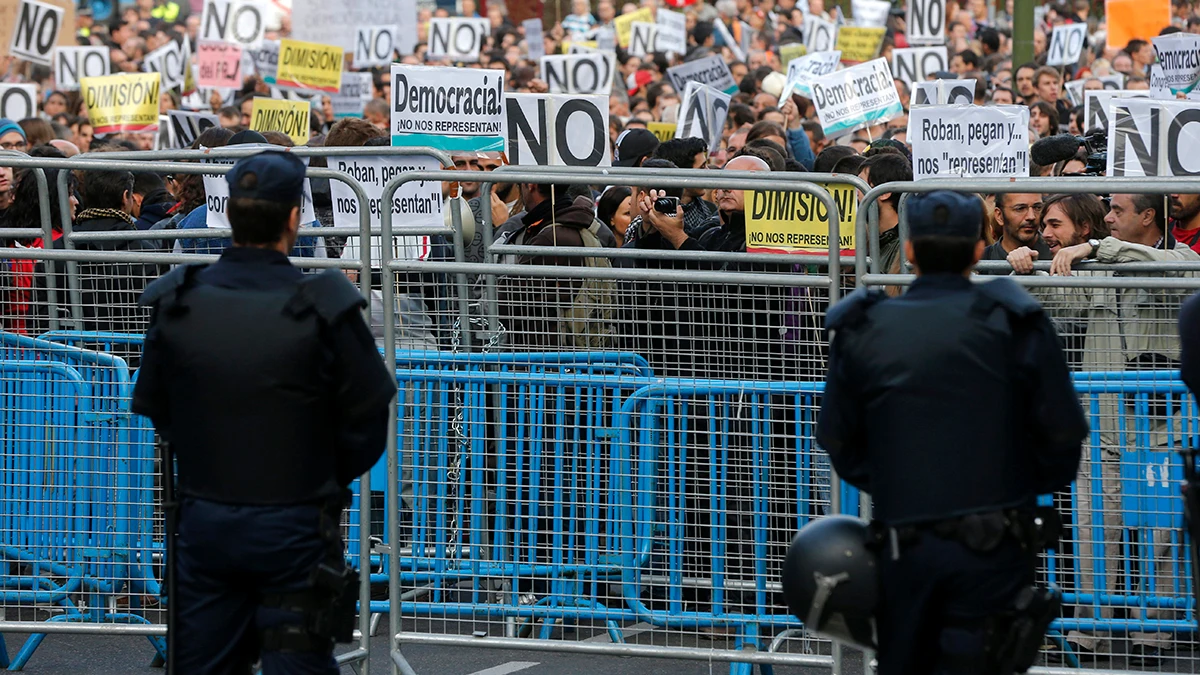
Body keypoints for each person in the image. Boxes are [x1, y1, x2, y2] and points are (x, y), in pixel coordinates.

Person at [131, 150, 395, 674]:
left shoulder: (180, 302)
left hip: (208, 521)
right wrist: (317, 477)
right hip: (297, 522)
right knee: (299, 666)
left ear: (229, 214)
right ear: (295, 216)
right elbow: (368, 420)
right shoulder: (326, 304)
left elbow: (157, 411)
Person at [816, 190, 1087, 675]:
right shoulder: (1015, 319)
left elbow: (839, 439)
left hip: (907, 542)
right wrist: (1012, 488)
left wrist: (902, 488)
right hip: (997, 545)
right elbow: (1062, 435)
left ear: (912, 249)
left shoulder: (865, 324)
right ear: (980, 248)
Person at [981, 192, 1052, 264]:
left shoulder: (1056, 253)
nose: (1031, 216)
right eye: (1020, 209)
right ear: (999, 216)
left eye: (1037, 208)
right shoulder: (981, 260)